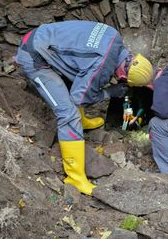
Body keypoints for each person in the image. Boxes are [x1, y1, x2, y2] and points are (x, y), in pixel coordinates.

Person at [15, 21, 154, 195]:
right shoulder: (102, 66)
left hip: (45, 36)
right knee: (68, 114)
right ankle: (75, 178)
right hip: (34, 56)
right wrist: (110, 92)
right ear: (124, 76)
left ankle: (83, 122)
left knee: (80, 77)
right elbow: (80, 98)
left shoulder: (114, 36)